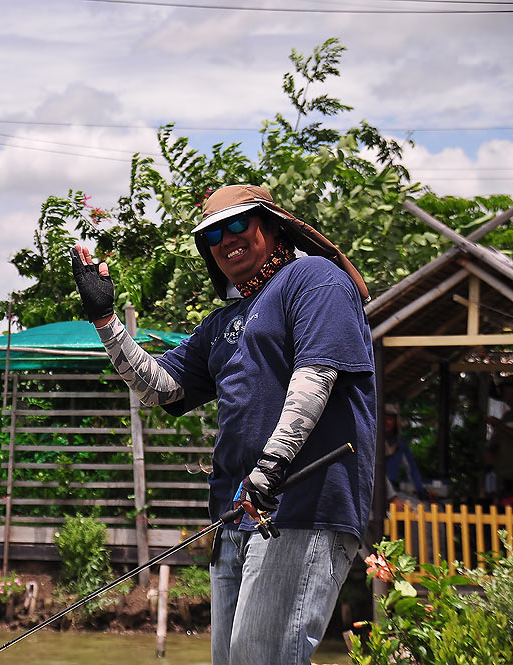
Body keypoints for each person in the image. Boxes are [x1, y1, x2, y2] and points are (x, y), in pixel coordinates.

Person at [70, 184, 376, 665]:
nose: (225, 239)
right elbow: (159, 387)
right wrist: (106, 320)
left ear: (273, 227)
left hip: (298, 507)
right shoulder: (224, 322)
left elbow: (315, 376)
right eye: (213, 233)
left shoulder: (315, 279)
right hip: (235, 517)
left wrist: (270, 467)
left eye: (238, 224)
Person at [383, 403, 430, 502]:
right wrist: (392, 496)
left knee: (420, 508)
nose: (386, 422)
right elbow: (374, 471)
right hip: (374, 492)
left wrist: (422, 491)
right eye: (383, 418)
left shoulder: (400, 443)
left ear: (396, 422)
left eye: (390, 419)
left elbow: (411, 469)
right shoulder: (373, 442)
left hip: (393, 491)